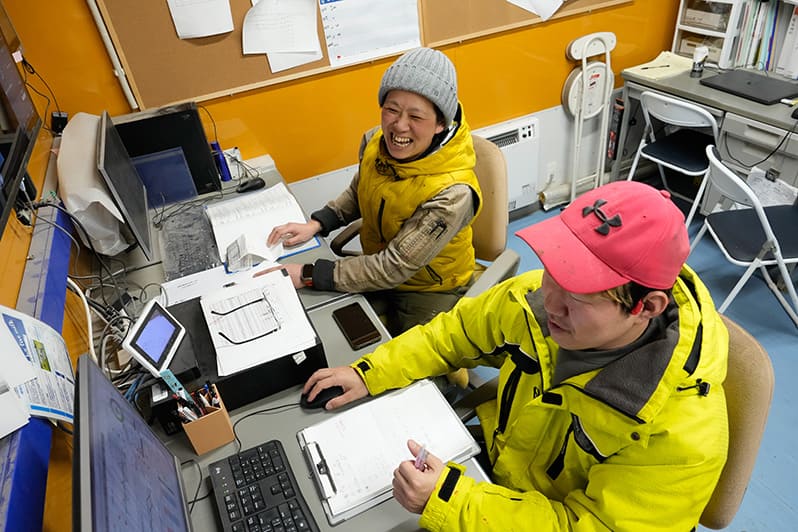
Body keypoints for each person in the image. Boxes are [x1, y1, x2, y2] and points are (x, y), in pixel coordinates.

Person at [302, 181, 729, 531]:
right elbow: (452, 335)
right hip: (493, 474)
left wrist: (451, 500)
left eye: (578, 295)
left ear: (646, 307)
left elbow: (589, 526)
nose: (551, 302)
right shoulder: (535, 301)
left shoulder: (682, 432)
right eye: (555, 272)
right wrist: (370, 372)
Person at [267, 47, 482, 337]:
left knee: (406, 360)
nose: (399, 125)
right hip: (380, 268)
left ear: (440, 124)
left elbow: (394, 267)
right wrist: (318, 223)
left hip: (428, 288)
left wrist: (308, 274)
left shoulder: (453, 193)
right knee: (319, 323)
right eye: (392, 109)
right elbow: (361, 189)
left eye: (416, 116)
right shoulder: (376, 142)